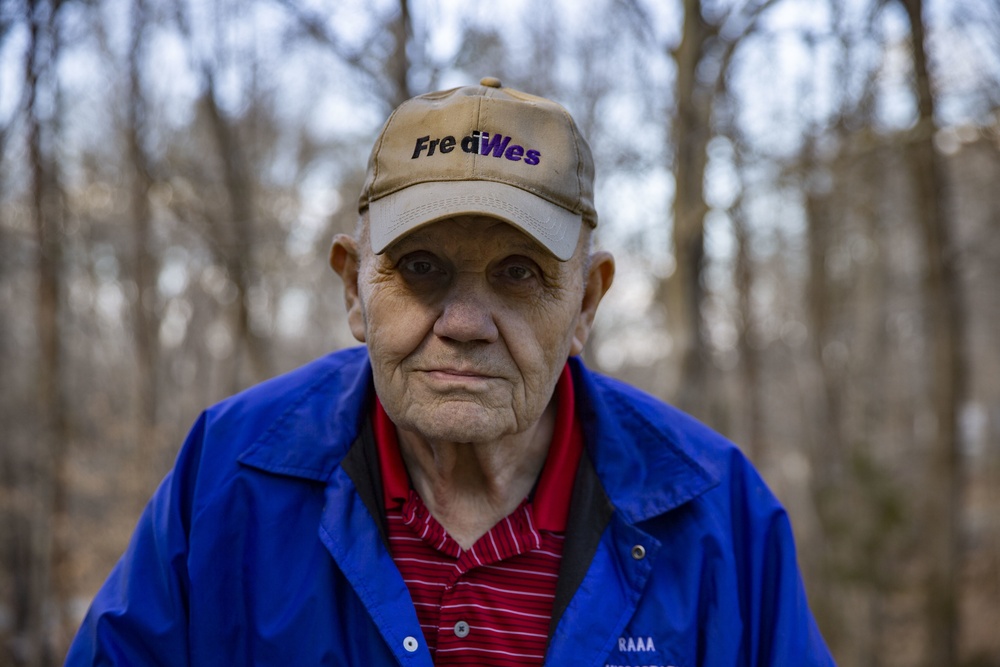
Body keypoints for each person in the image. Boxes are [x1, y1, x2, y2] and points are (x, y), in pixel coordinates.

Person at [66, 78, 835, 666]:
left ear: (587, 303)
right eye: (422, 267)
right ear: (353, 288)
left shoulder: (717, 513)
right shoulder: (228, 479)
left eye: (518, 273)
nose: (464, 324)